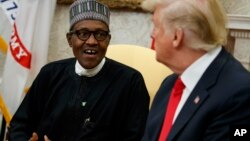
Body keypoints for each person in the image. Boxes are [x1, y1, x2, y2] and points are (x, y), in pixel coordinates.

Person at [8, 0, 150, 140]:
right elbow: (19, 125)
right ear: (70, 39)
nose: (92, 41)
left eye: (100, 34)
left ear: (108, 39)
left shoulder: (131, 82)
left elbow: (138, 137)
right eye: (83, 33)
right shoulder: (50, 73)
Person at [141, 0, 250, 141]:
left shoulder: (240, 93)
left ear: (176, 36)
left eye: (156, 26)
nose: (152, 34)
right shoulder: (169, 85)